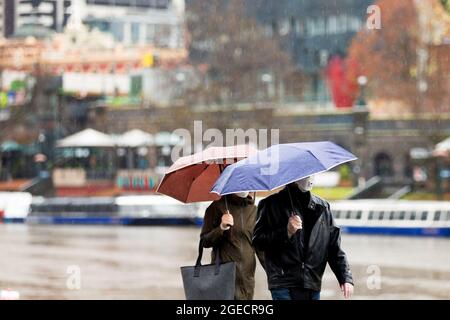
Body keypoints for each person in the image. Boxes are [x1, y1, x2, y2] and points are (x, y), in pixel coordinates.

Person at [252, 176, 354, 300]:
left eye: (312, 173)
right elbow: (258, 242)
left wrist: (345, 277)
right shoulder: (270, 204)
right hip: (283, 282)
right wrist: (286, 232)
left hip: (312, 282)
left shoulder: (323, 207)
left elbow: (334, 247)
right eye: (306, 174)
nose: (310, 177)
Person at [200, 192, 264, 300]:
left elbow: (260, 247)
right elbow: (204, 242)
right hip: (223, 278)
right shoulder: (216, 207)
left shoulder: (255, 210)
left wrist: (275, 274)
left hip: (246, 281)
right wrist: (221, 228)